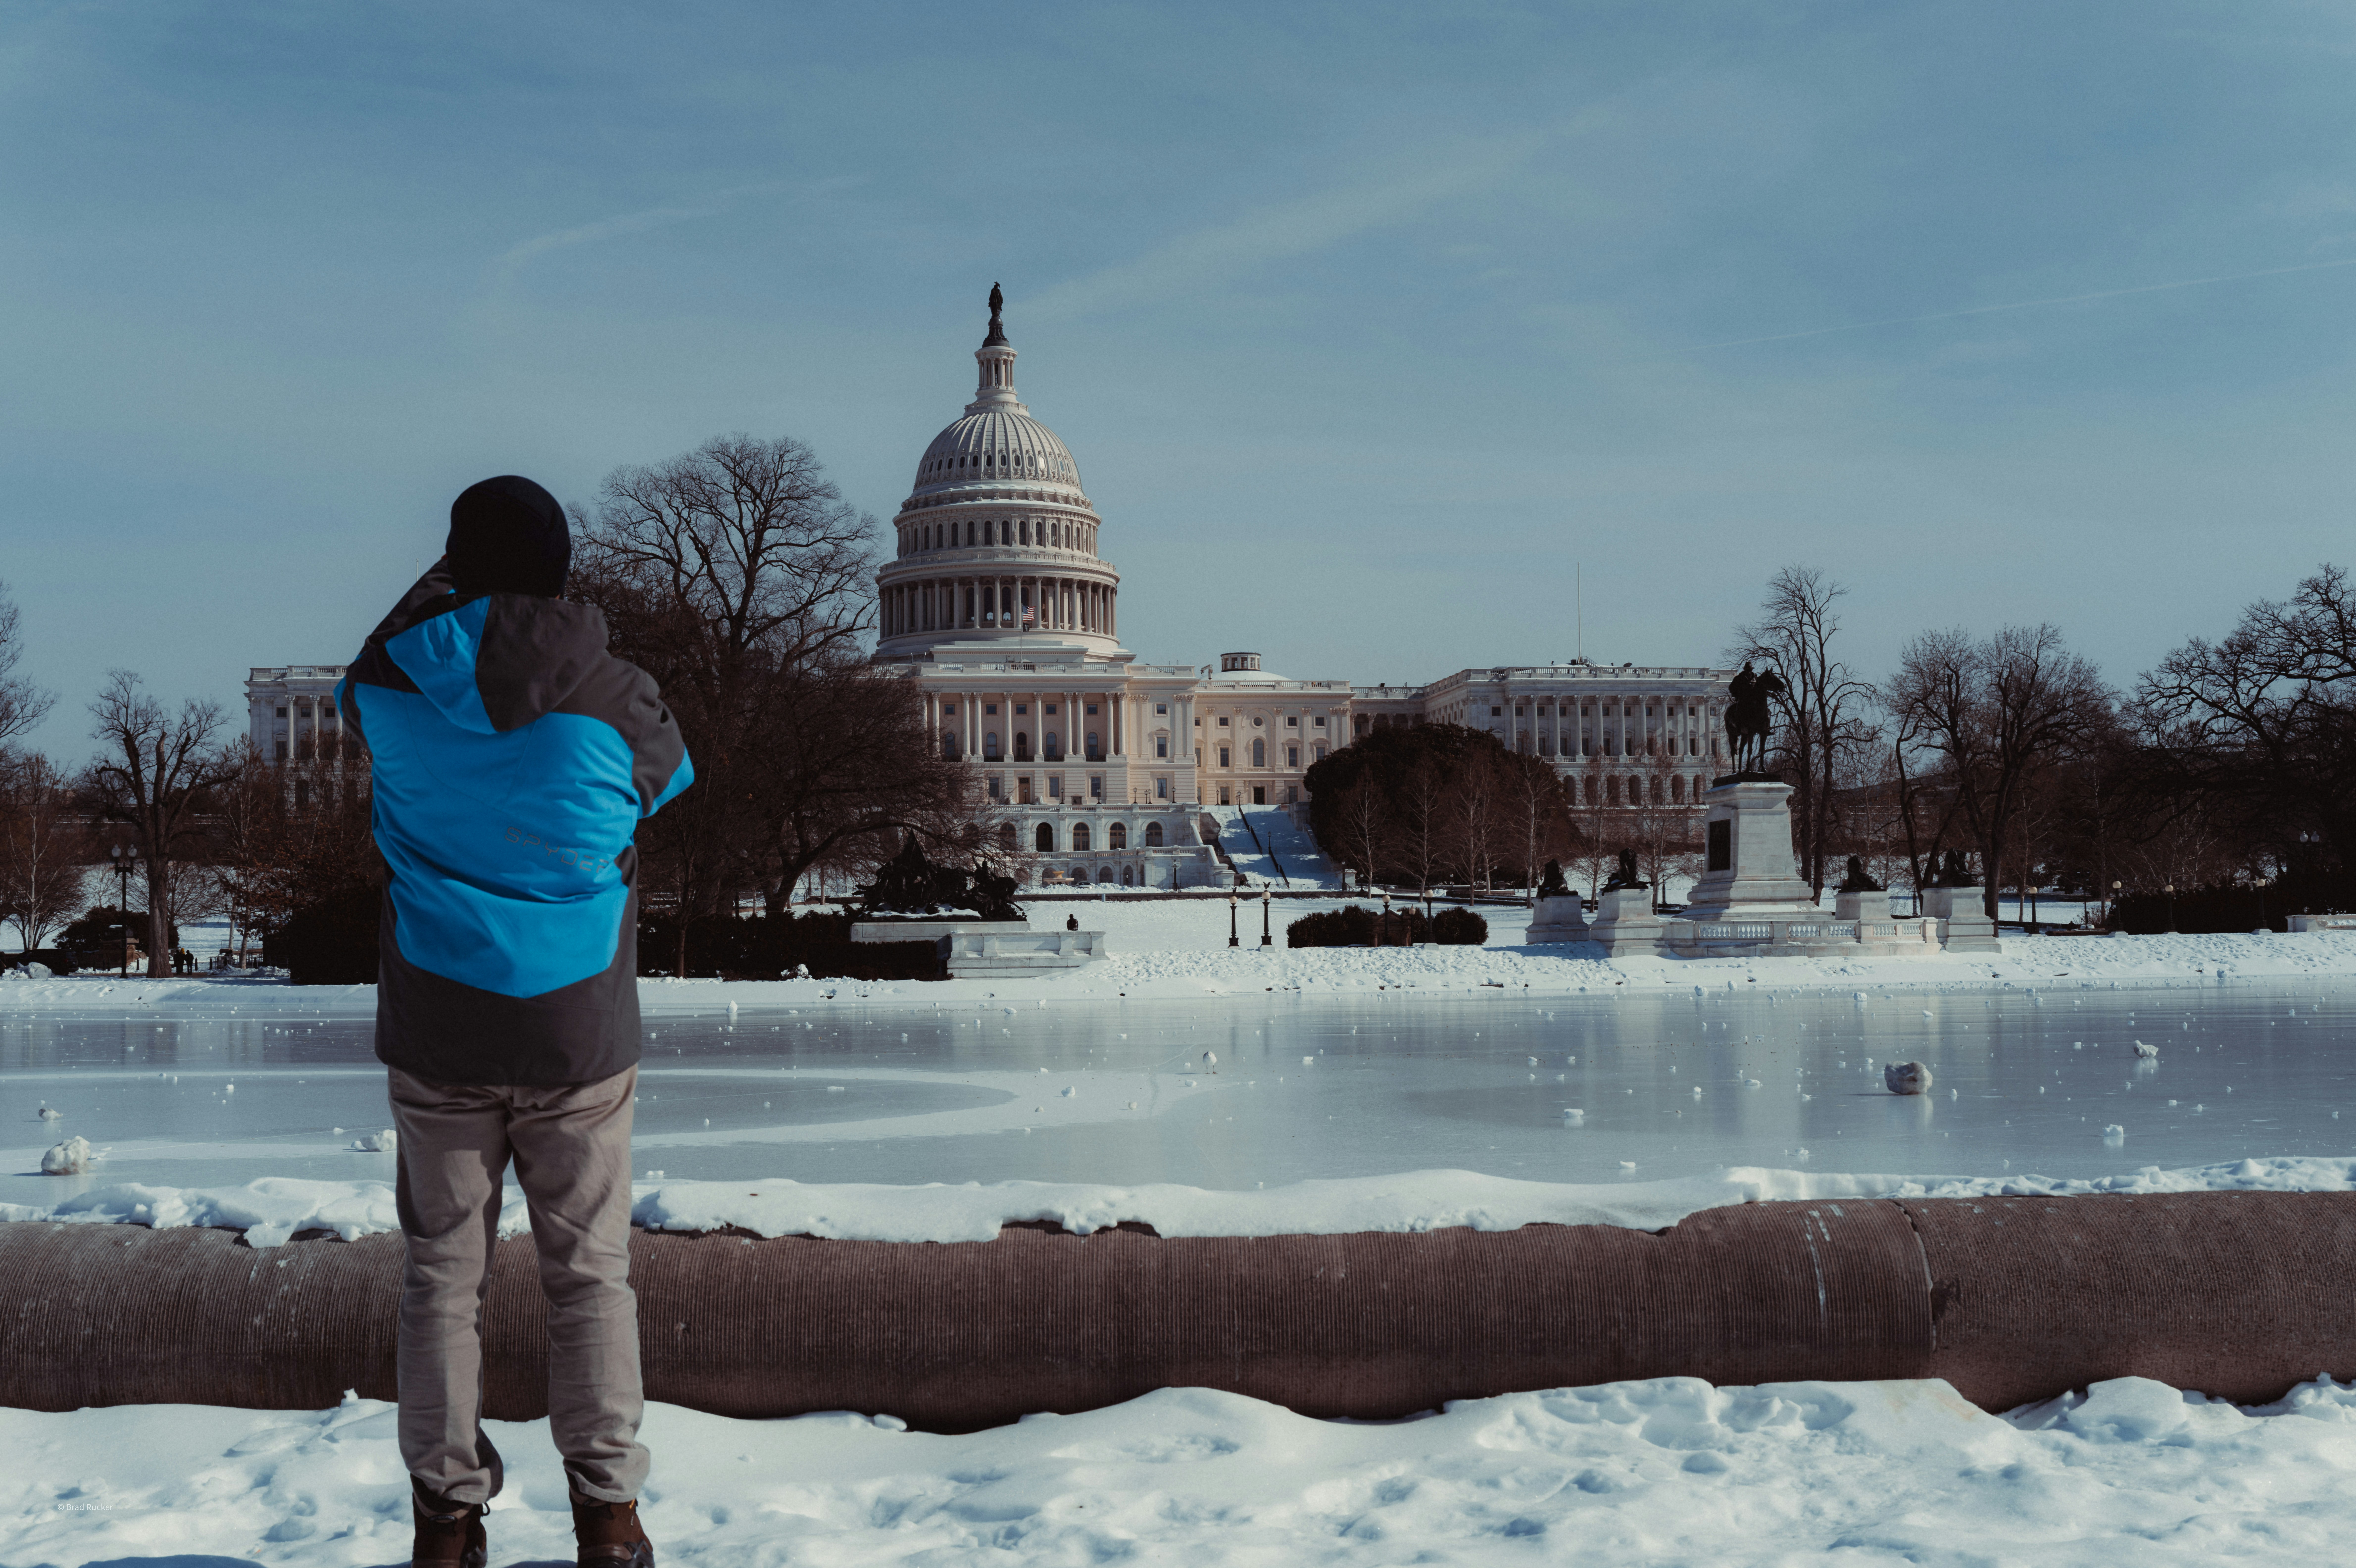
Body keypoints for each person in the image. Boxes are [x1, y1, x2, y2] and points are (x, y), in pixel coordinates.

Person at [338, 476, 692, 1568]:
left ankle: (446, 1524)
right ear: (562, 566)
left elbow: (378, 658)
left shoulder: (389, 690)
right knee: (590, 1276)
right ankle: (610, 1517)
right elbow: (669, 786)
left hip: (440, 1023)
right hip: (575, 1027)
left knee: (441, 1278)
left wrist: (442, 593)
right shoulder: (620, 694)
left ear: (453, 565)